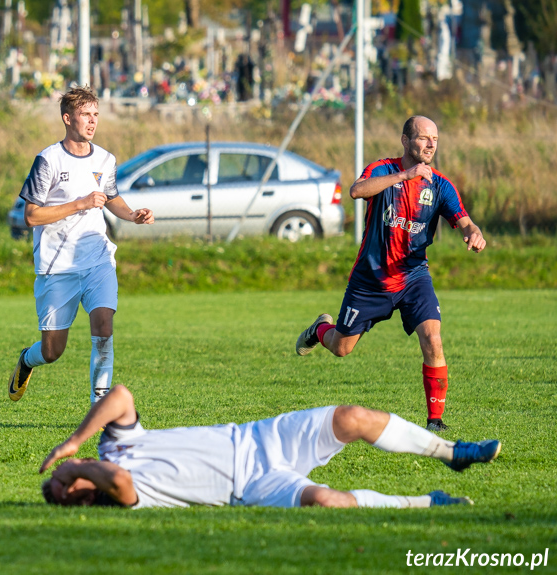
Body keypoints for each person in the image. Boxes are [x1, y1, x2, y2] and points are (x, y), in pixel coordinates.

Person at [295, 116, 487, 433]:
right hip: (371, 279)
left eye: (435, 139)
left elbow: (465, 221)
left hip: (414, 277)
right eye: (424, 138)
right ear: (405, 140)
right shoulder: (383, 170)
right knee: (341, 348)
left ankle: (435, 422)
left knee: (433, 339)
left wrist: (474, 233)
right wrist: (405, 174)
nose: (430, 145)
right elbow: (357, 191)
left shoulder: (440, 185)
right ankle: (319, 330)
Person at [39, 385, 501, 509]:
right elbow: (115, 480)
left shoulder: (114, 447)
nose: (64, 484)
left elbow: (120, 395)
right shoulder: (123, 495)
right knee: (326, 501)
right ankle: (424, 503)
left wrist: (74, 442)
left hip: (257, 437)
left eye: (58, 485)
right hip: (254, 483)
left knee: (351, 418)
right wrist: (77, 467)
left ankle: (452, 453)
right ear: (80, 495)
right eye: (63, 491)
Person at [8, 86, 154, 405]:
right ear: (67, 118)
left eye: (96, 115)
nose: (92, 121)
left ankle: (98, 405)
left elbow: (111, 197)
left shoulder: (105, 159)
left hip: (97, 259)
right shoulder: (47, 160)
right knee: (52, 351)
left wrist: (132, 215)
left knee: (103, 325)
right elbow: (31, 216)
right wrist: (78, 204)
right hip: (56, 267)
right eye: (85, 114)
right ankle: (26, 360)